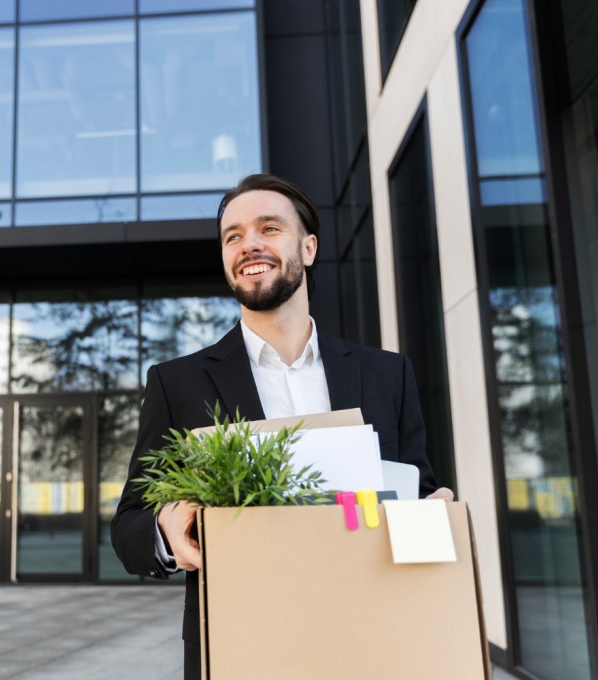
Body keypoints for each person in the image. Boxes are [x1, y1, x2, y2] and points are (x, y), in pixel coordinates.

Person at [110, 173, 454, 680]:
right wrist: (164, 530)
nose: (249, 243)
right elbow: (128, 525)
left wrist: (431, 518)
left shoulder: (387, 374)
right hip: (238, 643)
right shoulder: (176, 383)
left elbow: (415, 497)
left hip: (370, 637)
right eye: (233, 236)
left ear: (308, 248)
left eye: (269, 228)